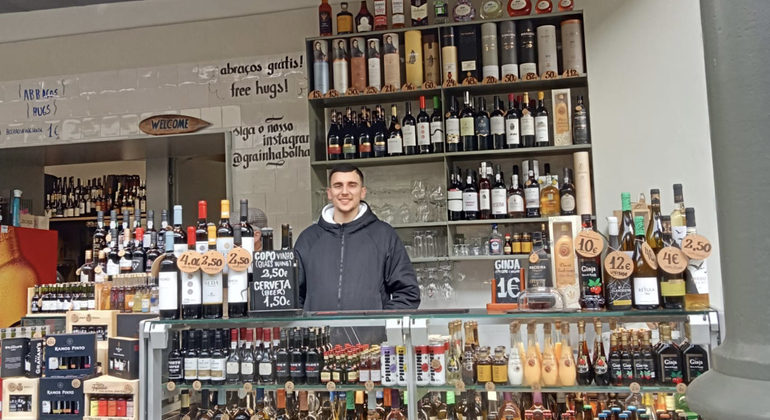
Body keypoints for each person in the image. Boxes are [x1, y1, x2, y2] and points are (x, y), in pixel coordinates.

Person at [294, 163, 420, 311]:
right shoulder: (308, 239)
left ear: (362, 192)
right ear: (329, 193)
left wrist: (380, 323)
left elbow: (408, 293)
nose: (345, 192)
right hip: (320, 334)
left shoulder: (384, 235)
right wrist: (307, 328)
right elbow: (294, 297)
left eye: (352, 185)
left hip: (371, 335)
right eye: (338, 185)